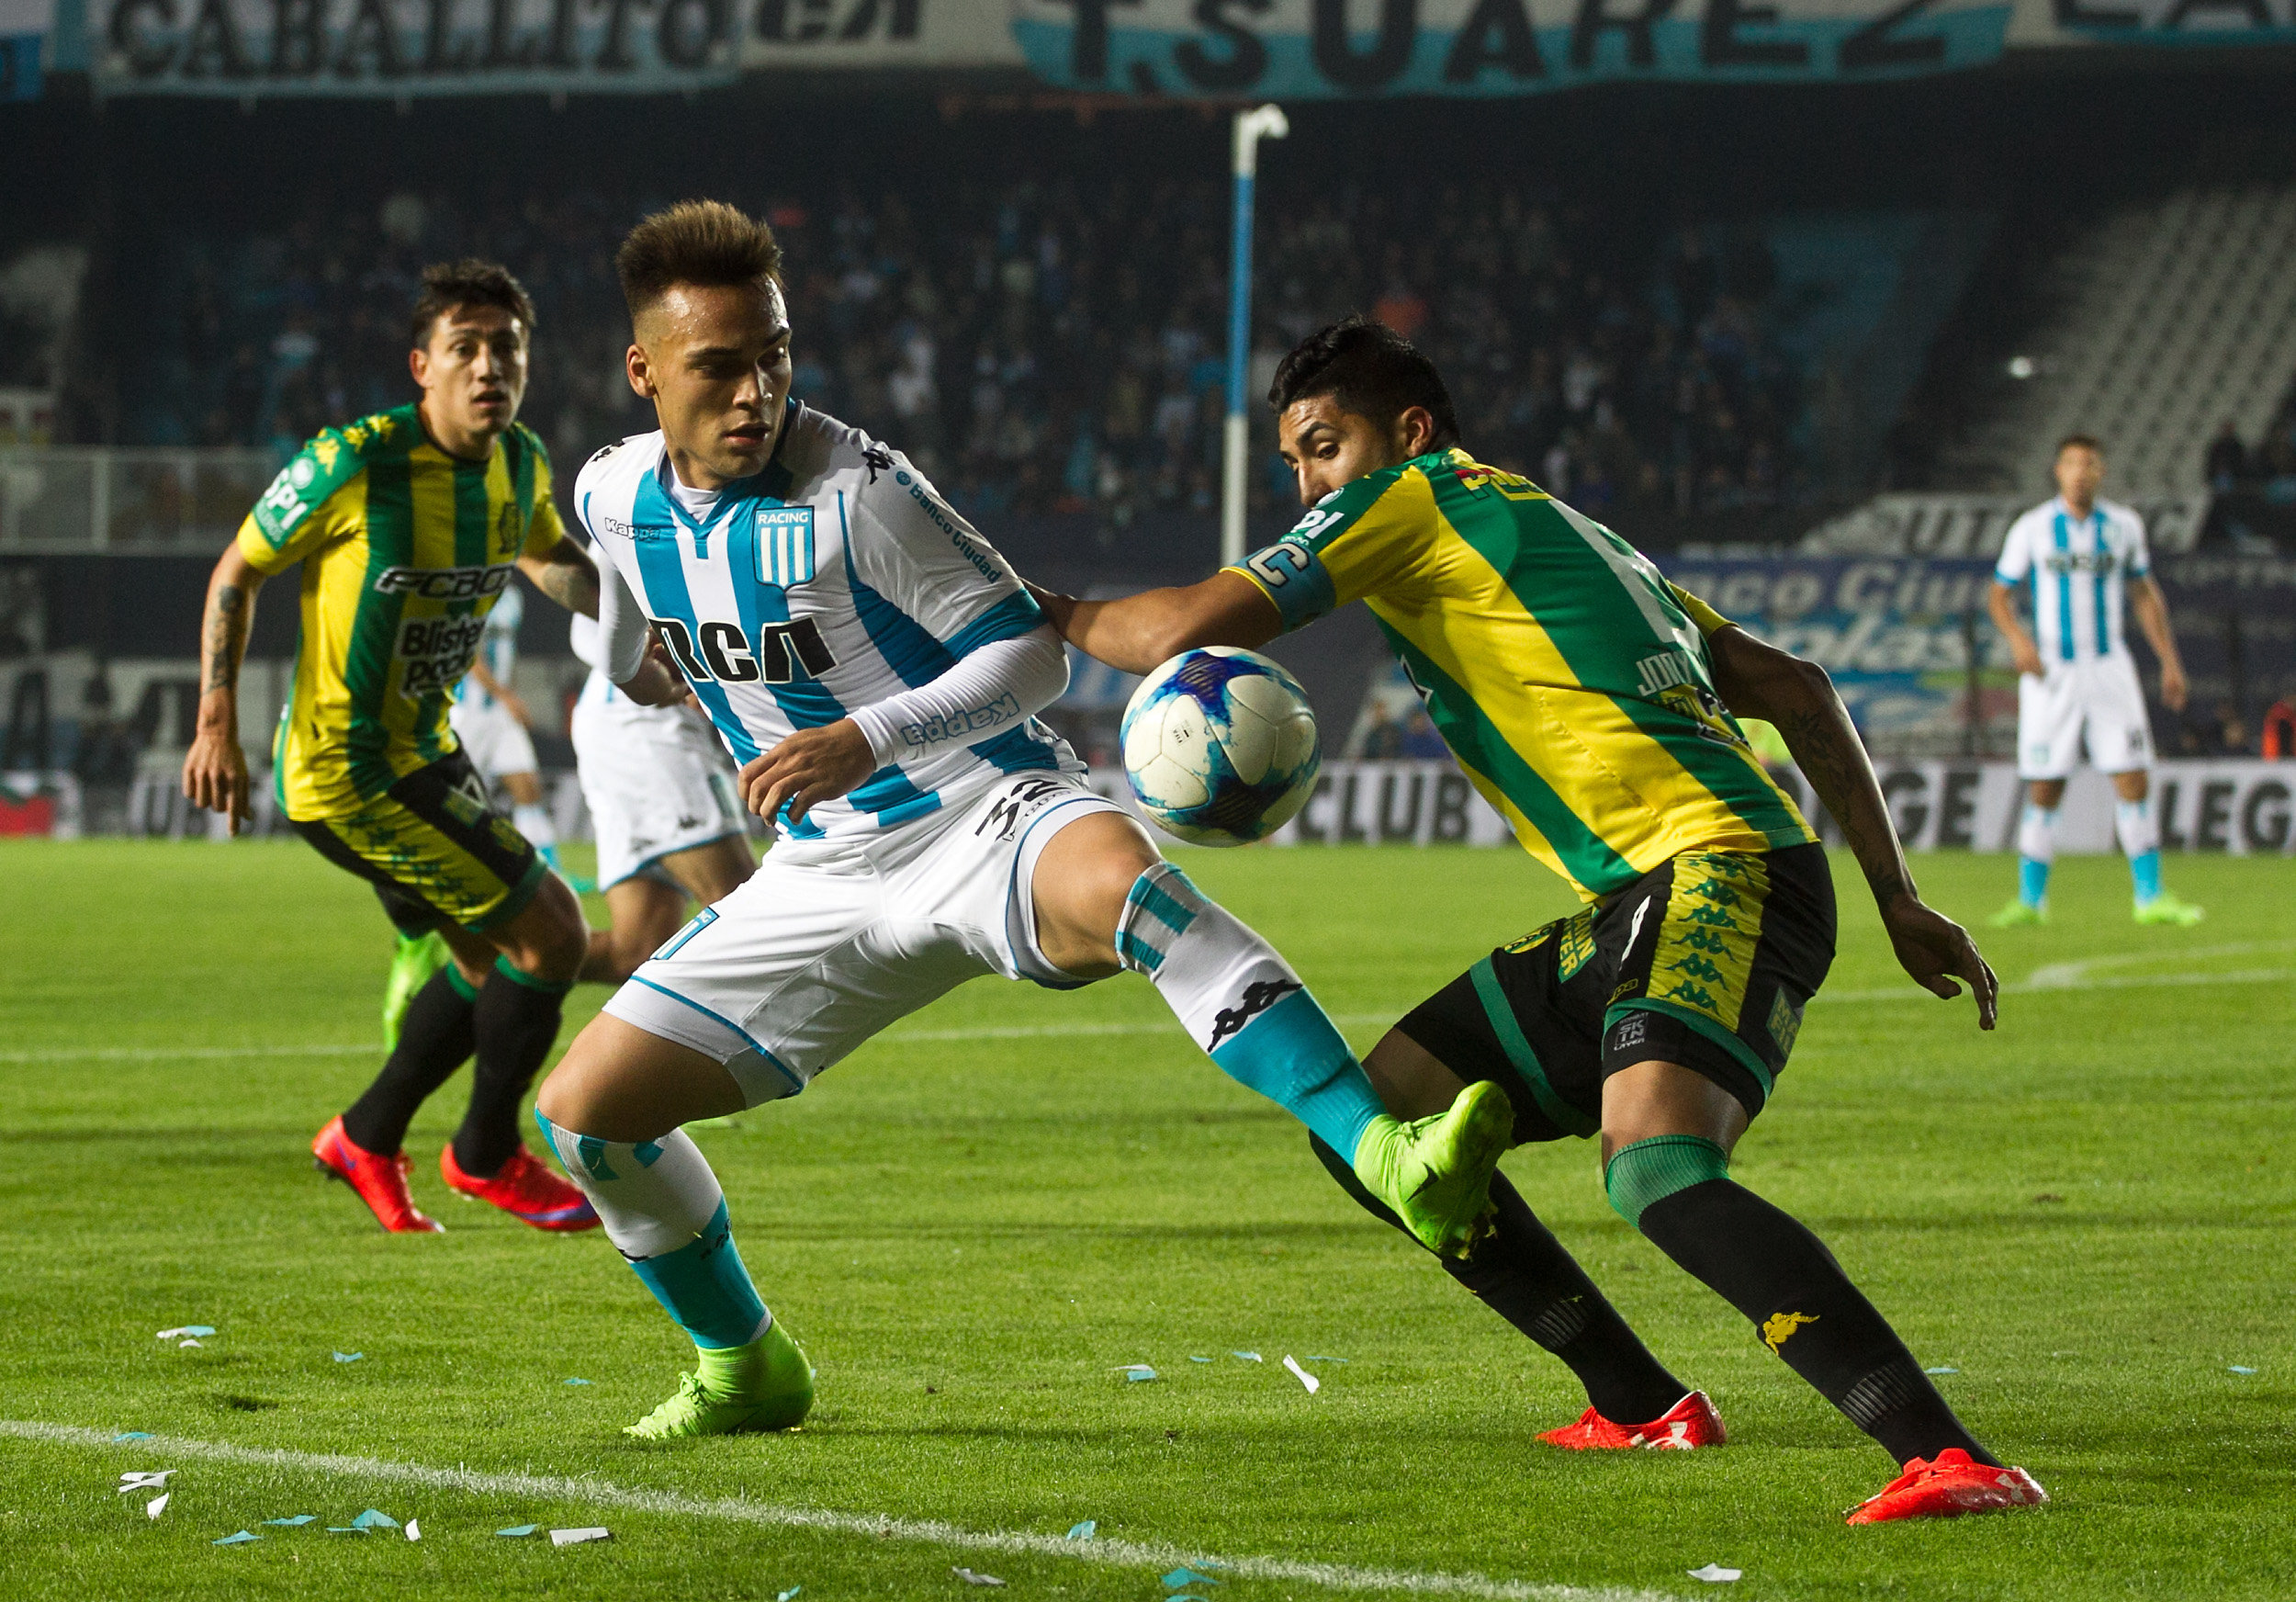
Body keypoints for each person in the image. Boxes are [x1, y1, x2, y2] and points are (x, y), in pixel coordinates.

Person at [1038, 316, 2046, 1526]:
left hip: (1717, 869)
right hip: (1649, 896)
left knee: (1659, 1169)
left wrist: (1021, 605)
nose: (1306, 487)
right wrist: (1894, 897)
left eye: (1322, 448)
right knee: (1376, 1119)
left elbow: (1169, 634)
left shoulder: (1412, 498)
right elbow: (1796, 686)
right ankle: (1639, 1403)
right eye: (1294, 464)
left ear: (1406, 434)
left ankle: (1944, 1456)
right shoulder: (1569, 535)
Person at [530, 204, 1512, 1440]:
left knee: (1133, 892)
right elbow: (619, 589)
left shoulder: (863, 493)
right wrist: (622, 660)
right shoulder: (613, 489)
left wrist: (864, 737)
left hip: (981, 810)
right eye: (719, 367)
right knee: (586, 1117)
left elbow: (1030, 659)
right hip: (823, 871)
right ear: (645, 374)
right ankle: (745, 1366)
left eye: (774, 354)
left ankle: (1388, 1157)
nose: (755, 391)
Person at [181, 260, 603, 1238]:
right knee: (554, 935)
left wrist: (641, 619)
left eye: (507, 348)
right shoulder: (357, 461)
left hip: (427, 750)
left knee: (485, 953)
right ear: (423, 365)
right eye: (466, 348)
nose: (489, 365)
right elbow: (237, 572)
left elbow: (546, 555)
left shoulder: (521, 463)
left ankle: (365, 1136)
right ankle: (486, 1155)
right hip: (349, 772)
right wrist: (215, 722)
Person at [1986, 434, 2201, 928]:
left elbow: (2144, 593)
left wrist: (2169, 660)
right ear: (2057, 471)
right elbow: (1999, 594)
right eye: (2071, 463)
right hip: (2051, 673)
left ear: (2101, 472)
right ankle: (2029, 901)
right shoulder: (2034, 527)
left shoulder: (2123, 526)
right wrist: (2019, 641)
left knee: (2133, 777)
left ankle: (2150, 897)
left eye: (2089, 464)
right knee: (2045, 785)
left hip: (2109, 668)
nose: (2080, 472)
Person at [566, 610, 758, 982]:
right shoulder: (642, 550)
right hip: (647, 723)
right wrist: (666, 669)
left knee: (635, 950)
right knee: (743, 908)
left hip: (633, 720)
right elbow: (590, 624)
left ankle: (487, 954)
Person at [448, 579, 567, 876]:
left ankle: (548, 872)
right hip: (469, 713)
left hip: (500, 713)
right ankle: (450, 865)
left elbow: (507, 652)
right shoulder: (468, 593)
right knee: (457, 797)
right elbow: (468, 657)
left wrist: (510, 697)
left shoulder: (512, 595)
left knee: (528, 787)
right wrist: (507, 697)